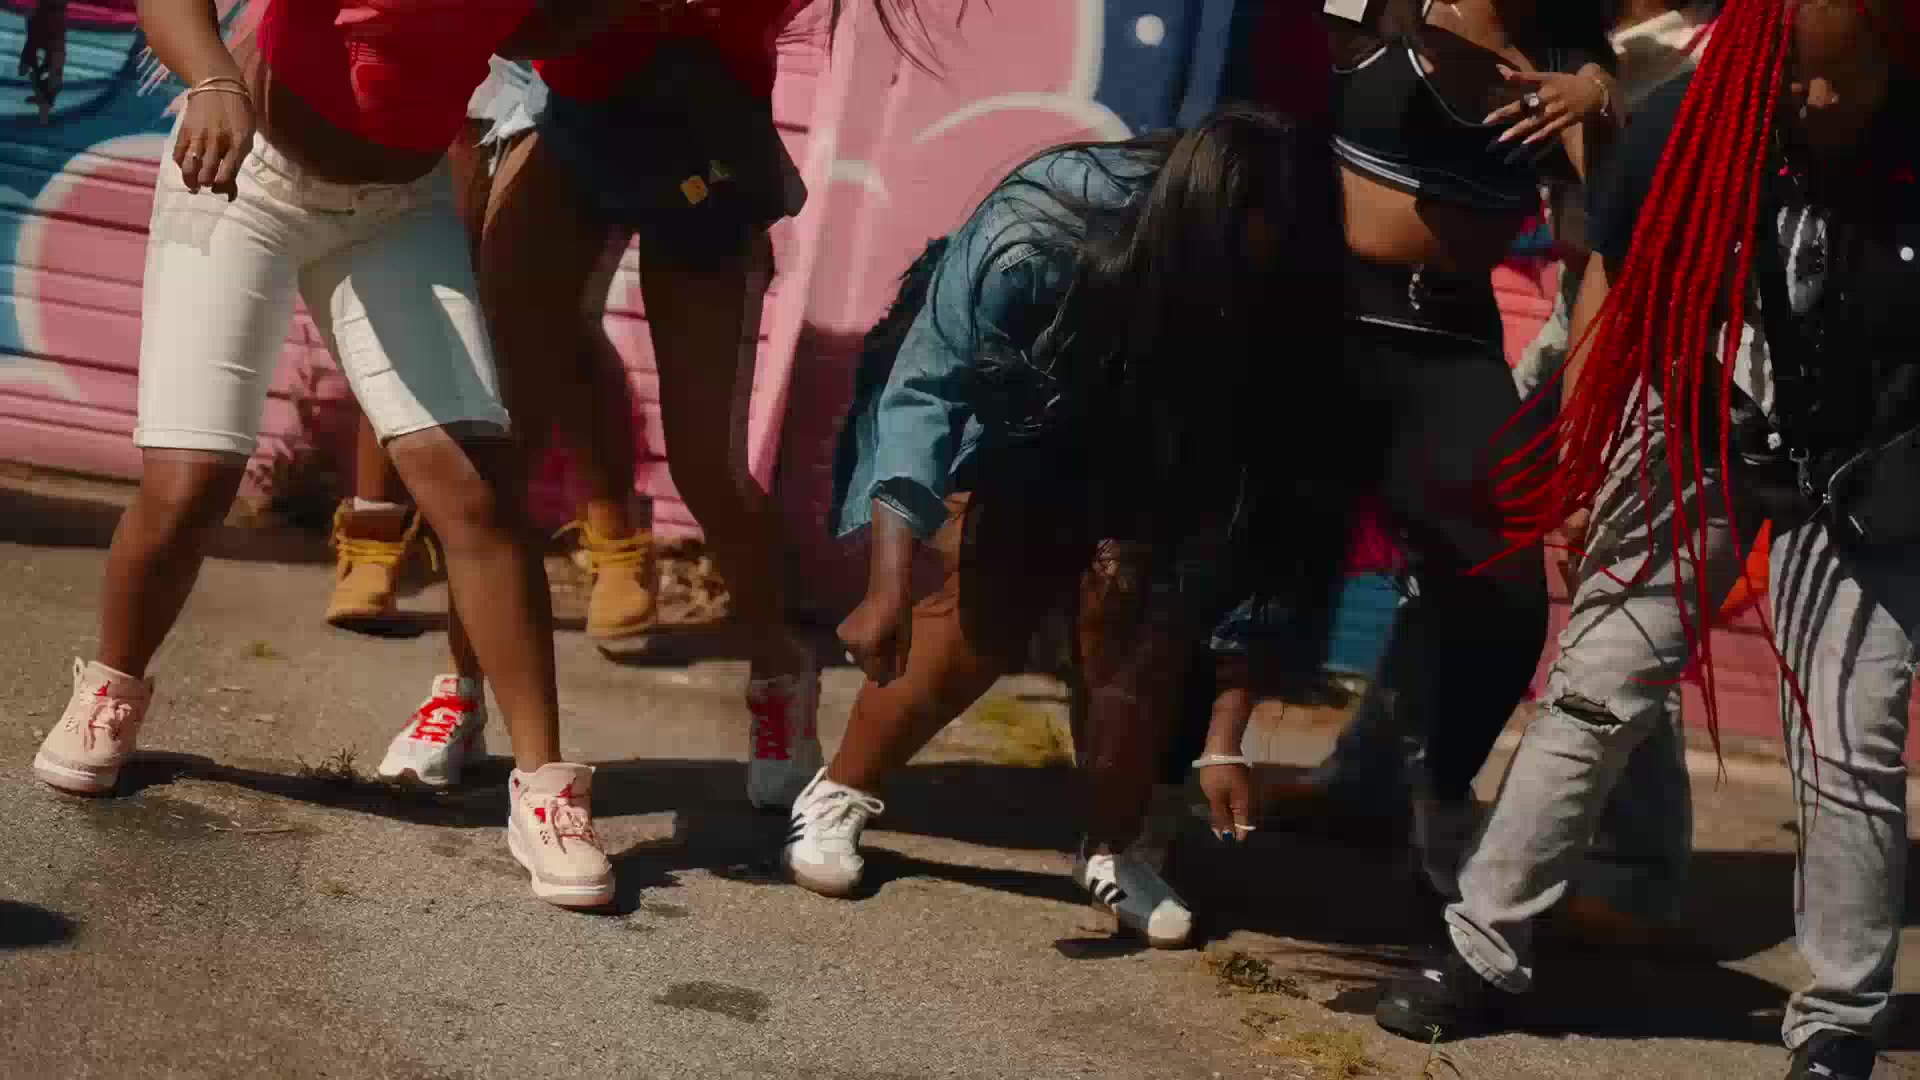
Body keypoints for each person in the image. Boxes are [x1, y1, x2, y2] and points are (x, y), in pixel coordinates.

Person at [21, 0, 736, 911]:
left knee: (476, 495)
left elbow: (525, 30)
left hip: (399, 210)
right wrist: (211, 79)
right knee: (192, 479)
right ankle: (111, 688)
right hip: (246, 177)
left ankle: (544, 789)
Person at [1374, 4, 1916, 1077]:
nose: (1812, 99)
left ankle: (1840, 1020)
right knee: (1594, 685)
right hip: (1702, 418)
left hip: (1871, 459)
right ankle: (1481, 951)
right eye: (1794, 77)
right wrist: (1582, 454)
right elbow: (1612, 282)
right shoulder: (1691, 122)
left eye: (1842, 79)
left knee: (1850, 736)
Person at [788, 105, 1348, 948]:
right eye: (1237, 267)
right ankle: (839, 790)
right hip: (1025, 385)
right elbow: (927, 391)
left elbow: (1268, 514)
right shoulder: (1040, 229)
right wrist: (888, 585)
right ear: (1197, 231)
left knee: (1133, 613)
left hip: (1156, 415)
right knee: (990, 599)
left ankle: (1114, 845)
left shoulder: (1287, 294)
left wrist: (1225, 736)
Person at [1307, 0, 1622, 905]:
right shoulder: (1378, 11)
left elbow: (1604, 229)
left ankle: (1443, 799)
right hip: (1325, 321)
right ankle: (1158, 791)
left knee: (1506, 595)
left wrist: (1597, 101)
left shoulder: (1568, 54)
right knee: (1239, 558)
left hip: (1452, 342)